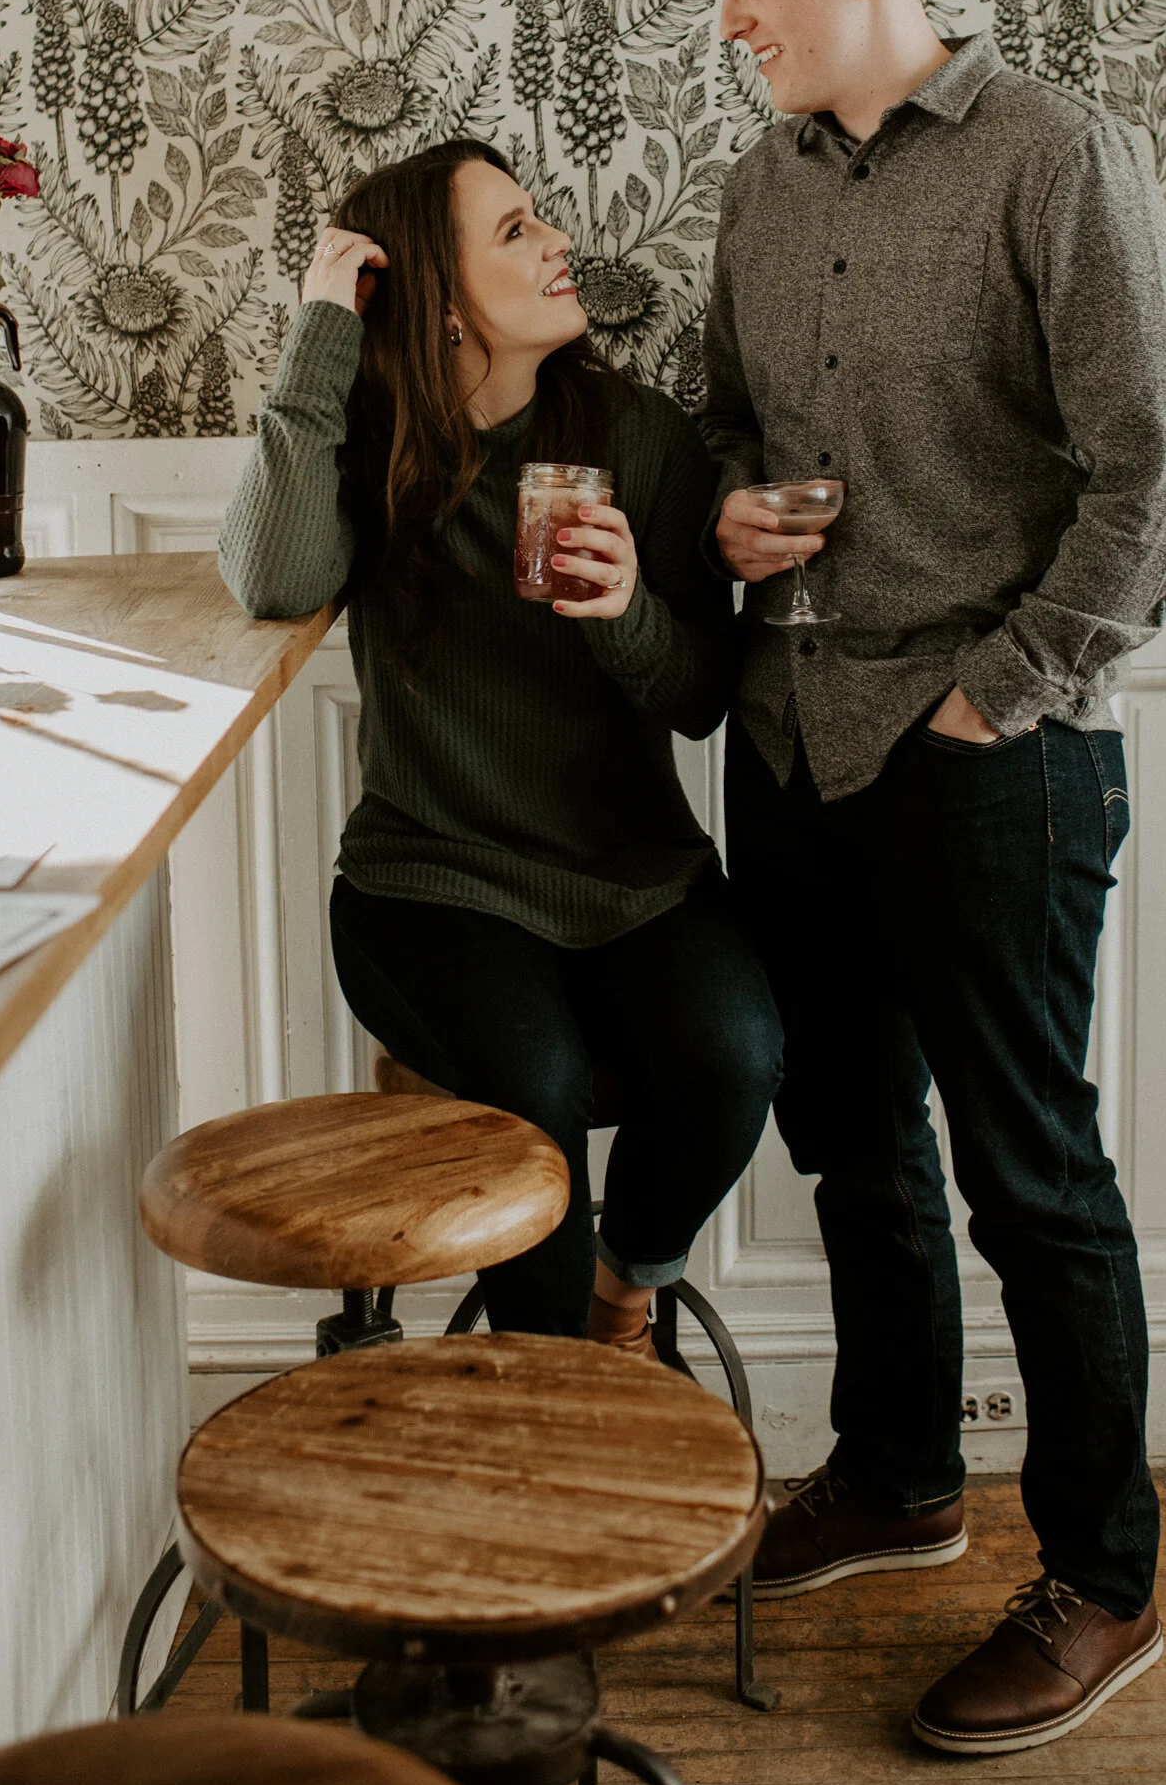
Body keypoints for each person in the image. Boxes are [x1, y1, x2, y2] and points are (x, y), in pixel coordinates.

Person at [698, 0, 1166, 1757]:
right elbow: (734, 417)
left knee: (1031, 1174)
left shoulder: (1055, 159)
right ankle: (903, 1473)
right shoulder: (754, 191)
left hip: (994, 754)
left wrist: (995, 699)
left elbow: (1153, 486)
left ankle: (1105, 1575)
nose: (734, 15)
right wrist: (733, 504)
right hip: (795, 747)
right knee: (847, 1129)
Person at [219, 138, 783, 1353]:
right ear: (438, 301)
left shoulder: (635, 437)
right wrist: (325, 326)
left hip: (630, 877)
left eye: (539, 221)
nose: (556, 242)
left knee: (737, 1053)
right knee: (534, 1096)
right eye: (515, 232)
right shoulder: (374, 449)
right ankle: (550, 1399)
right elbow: (270, 577)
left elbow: (700, 694)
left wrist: (626, 611)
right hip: (429, 885)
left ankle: (620, 1303)